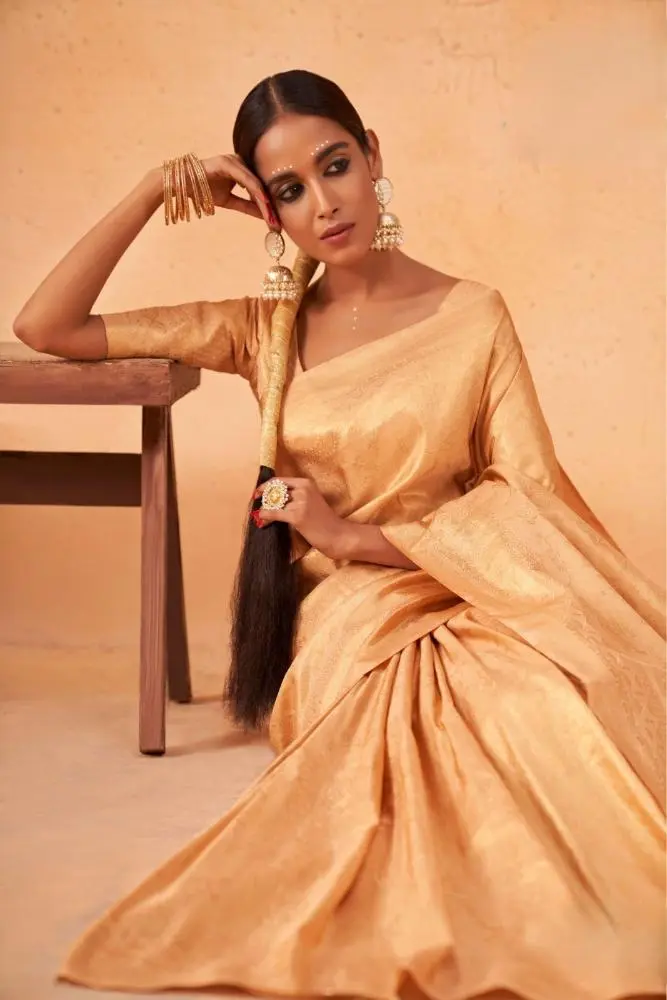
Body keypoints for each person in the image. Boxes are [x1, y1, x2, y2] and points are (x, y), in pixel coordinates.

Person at [13, 70, 665, 1000]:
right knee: (432, 731)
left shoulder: (473, 315)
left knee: (545, 695)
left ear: (372, 158)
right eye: (288, 189)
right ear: (265, 210)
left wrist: (355, 534)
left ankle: (581, 917)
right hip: (347, 616)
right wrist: (160, 188)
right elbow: (46, 326)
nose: (323, 203)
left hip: (471, 582)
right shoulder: (263, 333)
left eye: (334, 166)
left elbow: (527, 500)